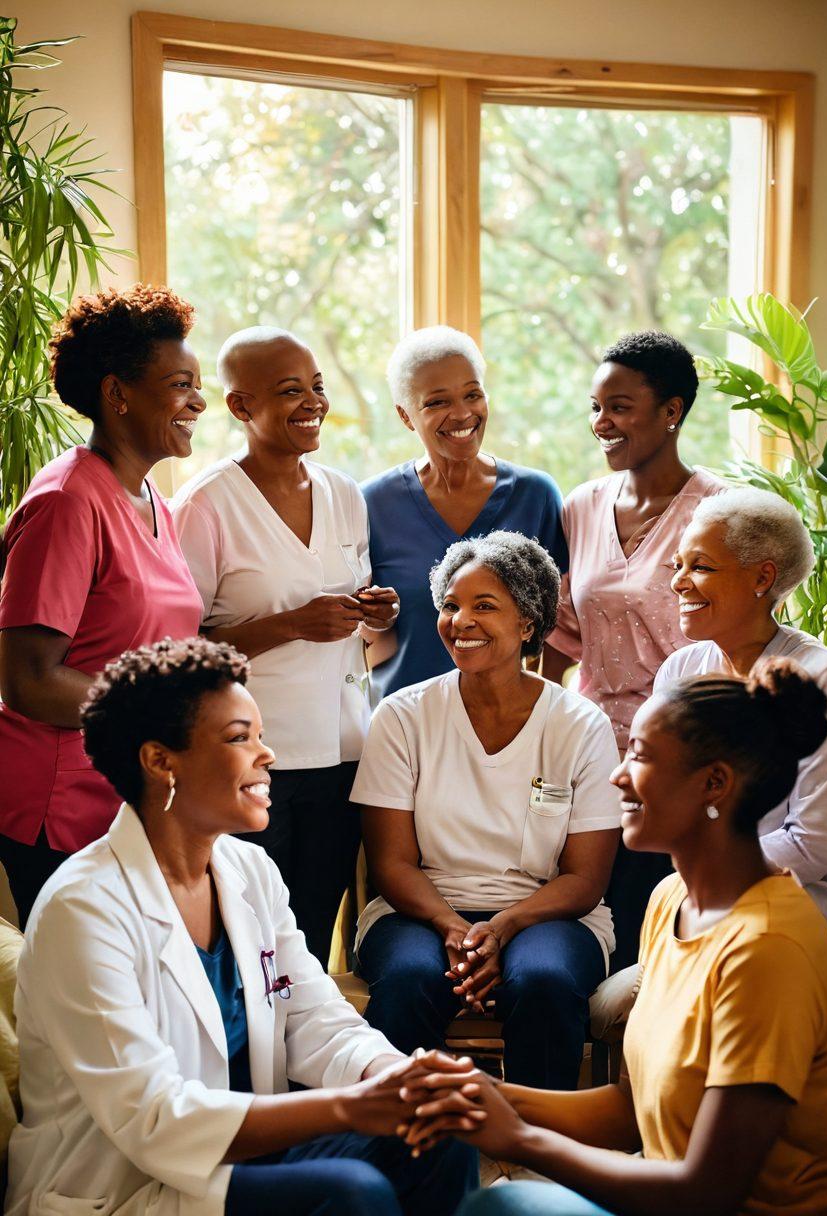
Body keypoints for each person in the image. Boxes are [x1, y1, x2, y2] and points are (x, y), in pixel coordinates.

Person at [4, 637, 479, 1216]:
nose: (267, 754)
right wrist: (352, 1107)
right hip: (121, 1185)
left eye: (260, 734)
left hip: (239, 1156)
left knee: (439, 1141)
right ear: (160, 761)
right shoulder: (84, 908)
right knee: (352, 1193)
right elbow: (152, 1118)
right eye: (239, 738)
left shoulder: (248, 870)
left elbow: (313, 1018)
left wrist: (395, 1078)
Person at [404, 659, 827, 1216]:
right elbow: (634, 1109)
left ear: (714, 783)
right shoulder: (672, 899)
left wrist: (516, 1138)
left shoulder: (768, 948)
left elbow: (705, 1192)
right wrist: (480, 1095)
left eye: (642, 756)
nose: (617, 775)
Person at [354, 533, 621, 1090]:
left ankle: (541, 1152)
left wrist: (504, 926)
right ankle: (404, 1149)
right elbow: (393, 863)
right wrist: (452, 924)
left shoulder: (580, 725)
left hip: (550, 914)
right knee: (408, 979)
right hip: (420, 909)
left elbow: (586, 877)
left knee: (544, 981)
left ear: (528, 623)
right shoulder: (402, 716)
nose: (460, 620)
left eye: (484, 606)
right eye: (451, 605)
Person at [172, 327, 399, 966]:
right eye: (290, 391)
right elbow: (179, 654)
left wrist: (375, 613)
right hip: (253, 763)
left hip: (345, 754)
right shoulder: (207, 504)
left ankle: (307, 1071)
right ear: (241, 407)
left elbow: (363, 635)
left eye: (318, 387)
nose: (313, 403)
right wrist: (289, 624)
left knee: (311, 945)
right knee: (249, 944)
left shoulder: (344, 494)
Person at [0, 285, 205, 927]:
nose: (197, 400)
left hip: (130, 800)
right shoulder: (67, 501)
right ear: (118, 394)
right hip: (60, 808)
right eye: (179, 384)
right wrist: (154, 720)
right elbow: (28, 682)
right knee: (83, 1013)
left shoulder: (155, 504)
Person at [544, 331, 724, 968]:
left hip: (680, 764)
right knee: (597, 941)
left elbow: (739, 648)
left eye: (618, 406)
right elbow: (561, 638)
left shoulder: (721, 511)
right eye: (595, 407)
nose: (602, 423)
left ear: (671, 411)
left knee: (663, 949)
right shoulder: (581, 506)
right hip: (592, 762)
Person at [655, 485, 827, 920]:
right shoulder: (681, 670)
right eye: (678, 565)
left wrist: (701, 875)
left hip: (794, 909)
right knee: (610, 993)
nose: (678, 582)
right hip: (697, 896)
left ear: (762, 578)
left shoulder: (819, 678)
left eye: (701, 566)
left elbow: (812, 844)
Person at [362, 327, 568, 699]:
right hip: (404, 726)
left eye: (472, 394)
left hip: (510, 727)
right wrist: (374, 620)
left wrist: (542, 717)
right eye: (437, 402)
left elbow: (553, 633)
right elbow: (366, 640)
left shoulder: (536, 495)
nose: (462, 414)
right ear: (406, 416)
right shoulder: (370, 505)